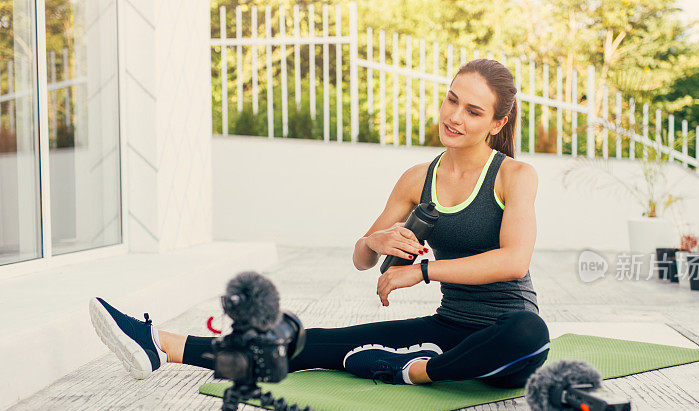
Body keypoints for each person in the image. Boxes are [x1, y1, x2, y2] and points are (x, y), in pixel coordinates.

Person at [89, 59, 550, 387]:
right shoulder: (417, 179)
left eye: (473, 111)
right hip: (450, 327)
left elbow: (514, 260)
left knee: (532, 334)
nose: (454, 116)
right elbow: (361, 260)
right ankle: (162, 344)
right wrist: (376, 239)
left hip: (509, 338)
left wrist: (423, 271)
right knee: (309, 344)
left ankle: (413, 370)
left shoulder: (514, 177)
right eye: (452, 100)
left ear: (496, 123)